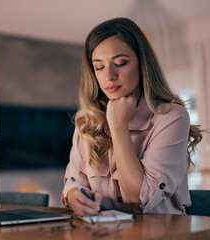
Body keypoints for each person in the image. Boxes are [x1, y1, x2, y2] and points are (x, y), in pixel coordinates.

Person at [62, 17, 203, 216]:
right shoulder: (87, 119)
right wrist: (74, 196)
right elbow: (73, 180)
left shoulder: (171, 118)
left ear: (142, 63)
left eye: (120, 63)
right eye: (99, 67)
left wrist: (119, 127)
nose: (109, 75)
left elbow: (140, 198)